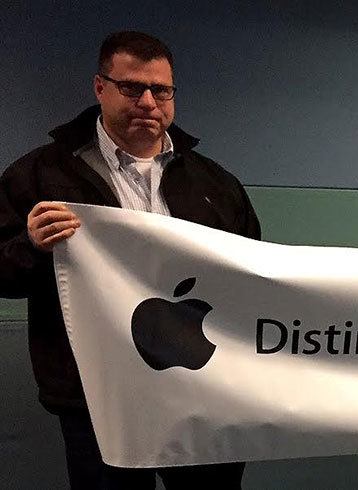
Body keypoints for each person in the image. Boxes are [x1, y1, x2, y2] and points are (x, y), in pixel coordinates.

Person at [0, 31, 259, 488]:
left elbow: (253, 279)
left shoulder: (215, 184)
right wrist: (29, 245)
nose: (147, 101)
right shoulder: (40, 174)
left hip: (202, 388)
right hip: (98, 397)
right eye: (130, 87)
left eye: (160, 90)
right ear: (100, 87)